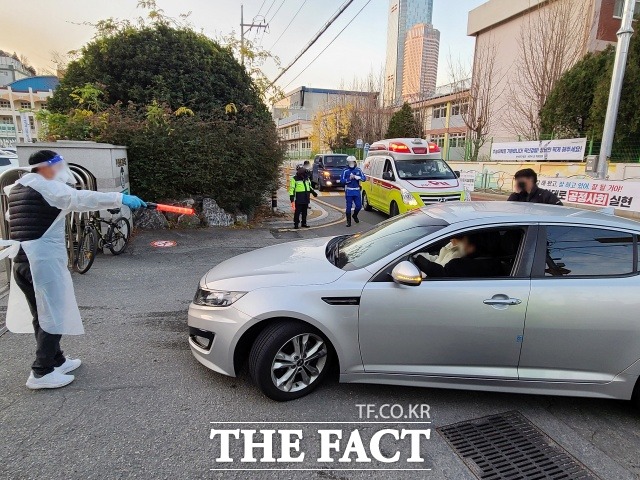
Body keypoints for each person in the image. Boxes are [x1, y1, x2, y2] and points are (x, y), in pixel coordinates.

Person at [1, 150, 146, 390]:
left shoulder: (19, 188)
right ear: (47, 167)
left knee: (43, 314)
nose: (62, 170)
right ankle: (41, 371)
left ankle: (56, 360)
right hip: (41, 263)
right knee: (53, 314)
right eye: (58, 165)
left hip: (22, 262)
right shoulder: (47, 186)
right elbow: (80, 199)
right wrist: (120, 200)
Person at [413, 233, 503, 278]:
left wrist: (417, 258)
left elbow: (440, 272)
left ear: (472, 246)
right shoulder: (497, 264)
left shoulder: (459, 265)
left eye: (463, 241)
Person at [289, 164, 317, 229]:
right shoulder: (294, 179)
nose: (302, 171)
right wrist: (292, 199)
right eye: (301, 170)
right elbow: (292, 189)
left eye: (303, 170)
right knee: (297, 212)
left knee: (305, 212)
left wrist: (313, 192)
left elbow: (309, 186)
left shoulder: (306, 178)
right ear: (298, 170)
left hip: (306, 197)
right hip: (299, 197)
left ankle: (304, 223)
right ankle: (296, 223)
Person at [341, 156, 366, 227]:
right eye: (350, 162)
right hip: (349, 191)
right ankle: (348, 222)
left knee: (359, 206)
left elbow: (364, 178)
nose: (351, 163)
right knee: (348, 207)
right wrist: (349, 179)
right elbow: (342, 181)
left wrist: (358, 177)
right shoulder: (345, 171)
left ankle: (355, 215)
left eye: (353, 162)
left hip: (357, 191)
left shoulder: (358, 170)